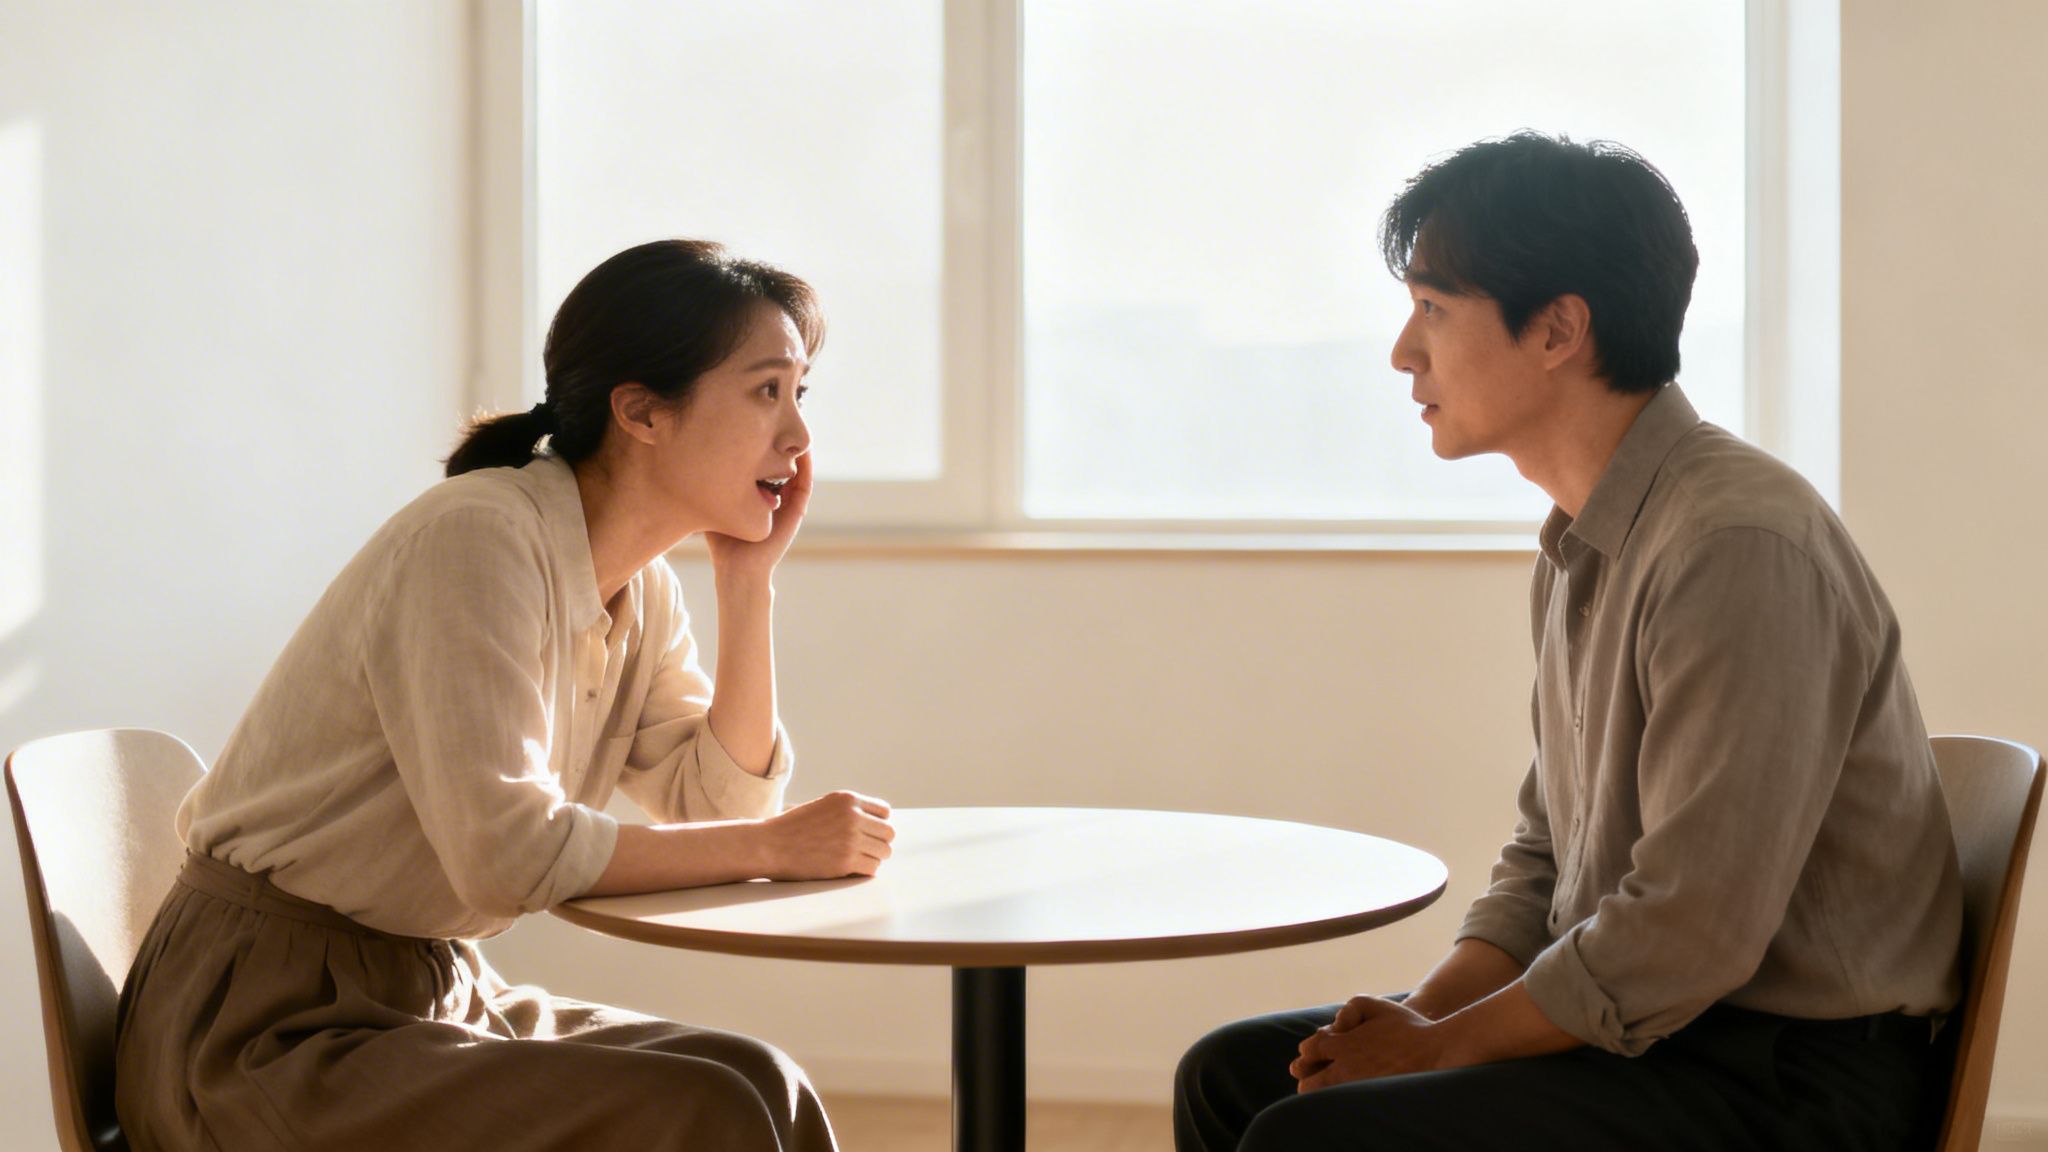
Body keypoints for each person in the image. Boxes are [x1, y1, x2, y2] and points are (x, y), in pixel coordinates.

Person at [1174, 133, 1963, 1151]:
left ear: (1556, 330)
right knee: (1234, 1077)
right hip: (1659, 1035)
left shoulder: (1734, 546)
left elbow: (1685, 933)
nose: (1401, 352)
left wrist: (1439, 1051)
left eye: (1432, 310)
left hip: (1783, 1077)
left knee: (1313, 1135)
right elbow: (1545, 859)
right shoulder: (1580, 544)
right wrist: (1424, 1018)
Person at [114, 239, 895, 1151]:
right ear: (641, 412)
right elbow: (509, 856)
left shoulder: (638, 588)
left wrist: (748, 586)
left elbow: (713, 800)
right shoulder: (477, 541)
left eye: (801, 394)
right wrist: (773, 844)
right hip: (263, 1034)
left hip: (426, 990)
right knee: (705, 1110)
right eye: (767, 391)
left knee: (764, 1081)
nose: (798, 436)